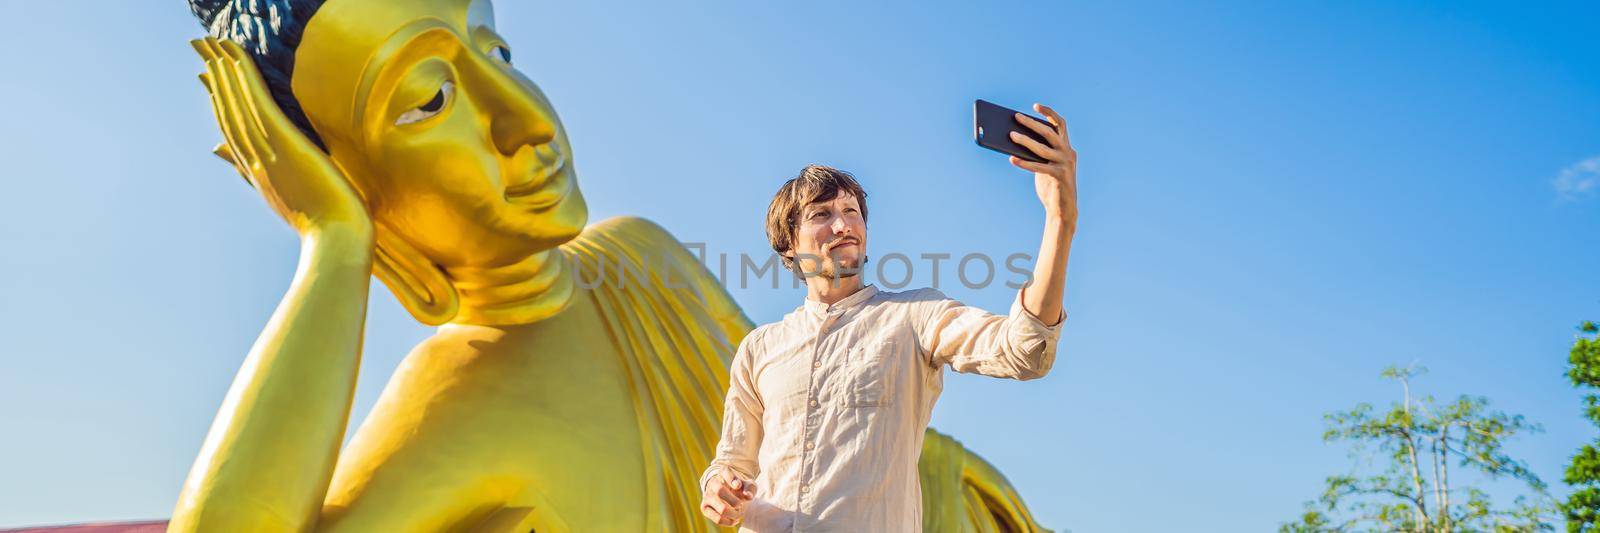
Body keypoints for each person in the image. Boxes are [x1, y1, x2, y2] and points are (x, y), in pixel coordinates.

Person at [698, 104, 1079, 530]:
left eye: (852, 212)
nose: (843, 225)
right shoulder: (759, 348)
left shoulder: (915, 317)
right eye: (822, 214)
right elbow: (732, 463)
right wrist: (721, 489)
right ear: (788, 243)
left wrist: (1060, 219)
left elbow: (1023, 351)